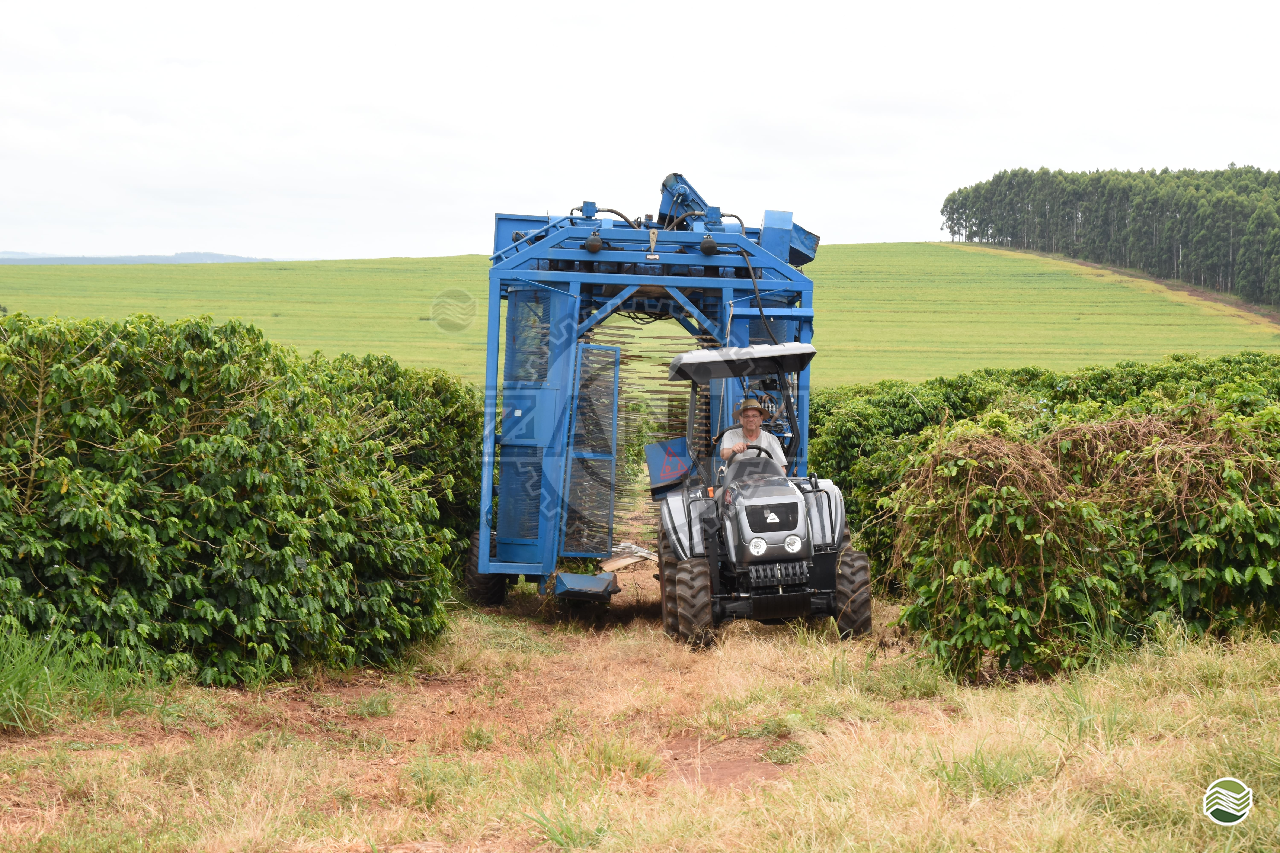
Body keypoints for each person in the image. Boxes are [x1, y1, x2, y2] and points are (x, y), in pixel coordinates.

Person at [719, 398, 786, 464]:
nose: (751, 419)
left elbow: (781, 468)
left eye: (755, 416)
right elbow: (723, 455)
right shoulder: (730, 434)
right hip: (735, 471)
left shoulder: (771, 439)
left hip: (763, 471)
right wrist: (732, 450)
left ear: (761, 418)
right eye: (746, 416)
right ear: (740, 419)